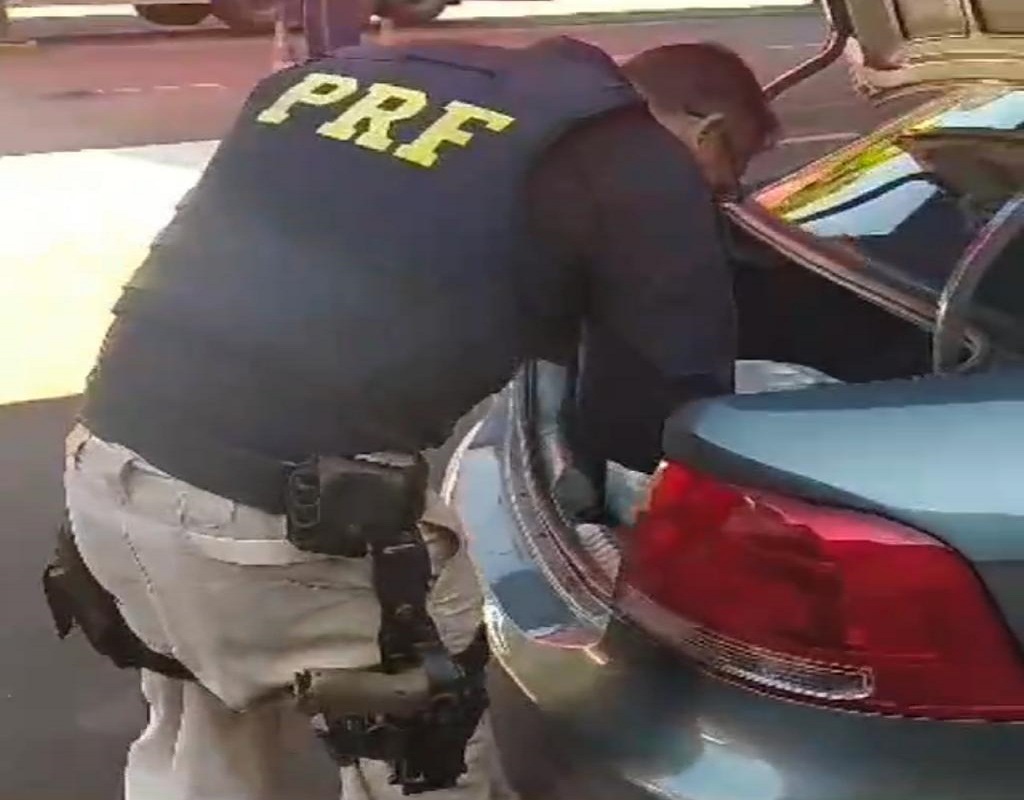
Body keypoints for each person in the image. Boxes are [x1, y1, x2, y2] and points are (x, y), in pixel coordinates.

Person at [59, 35, 779, 800]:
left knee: (200, 734)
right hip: (276, 527)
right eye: (724, 181)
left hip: (106, 471)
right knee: (422, 748)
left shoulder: (353, 76)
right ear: (707, 134)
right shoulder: (634, 159)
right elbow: (654, 410)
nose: (715, 198)